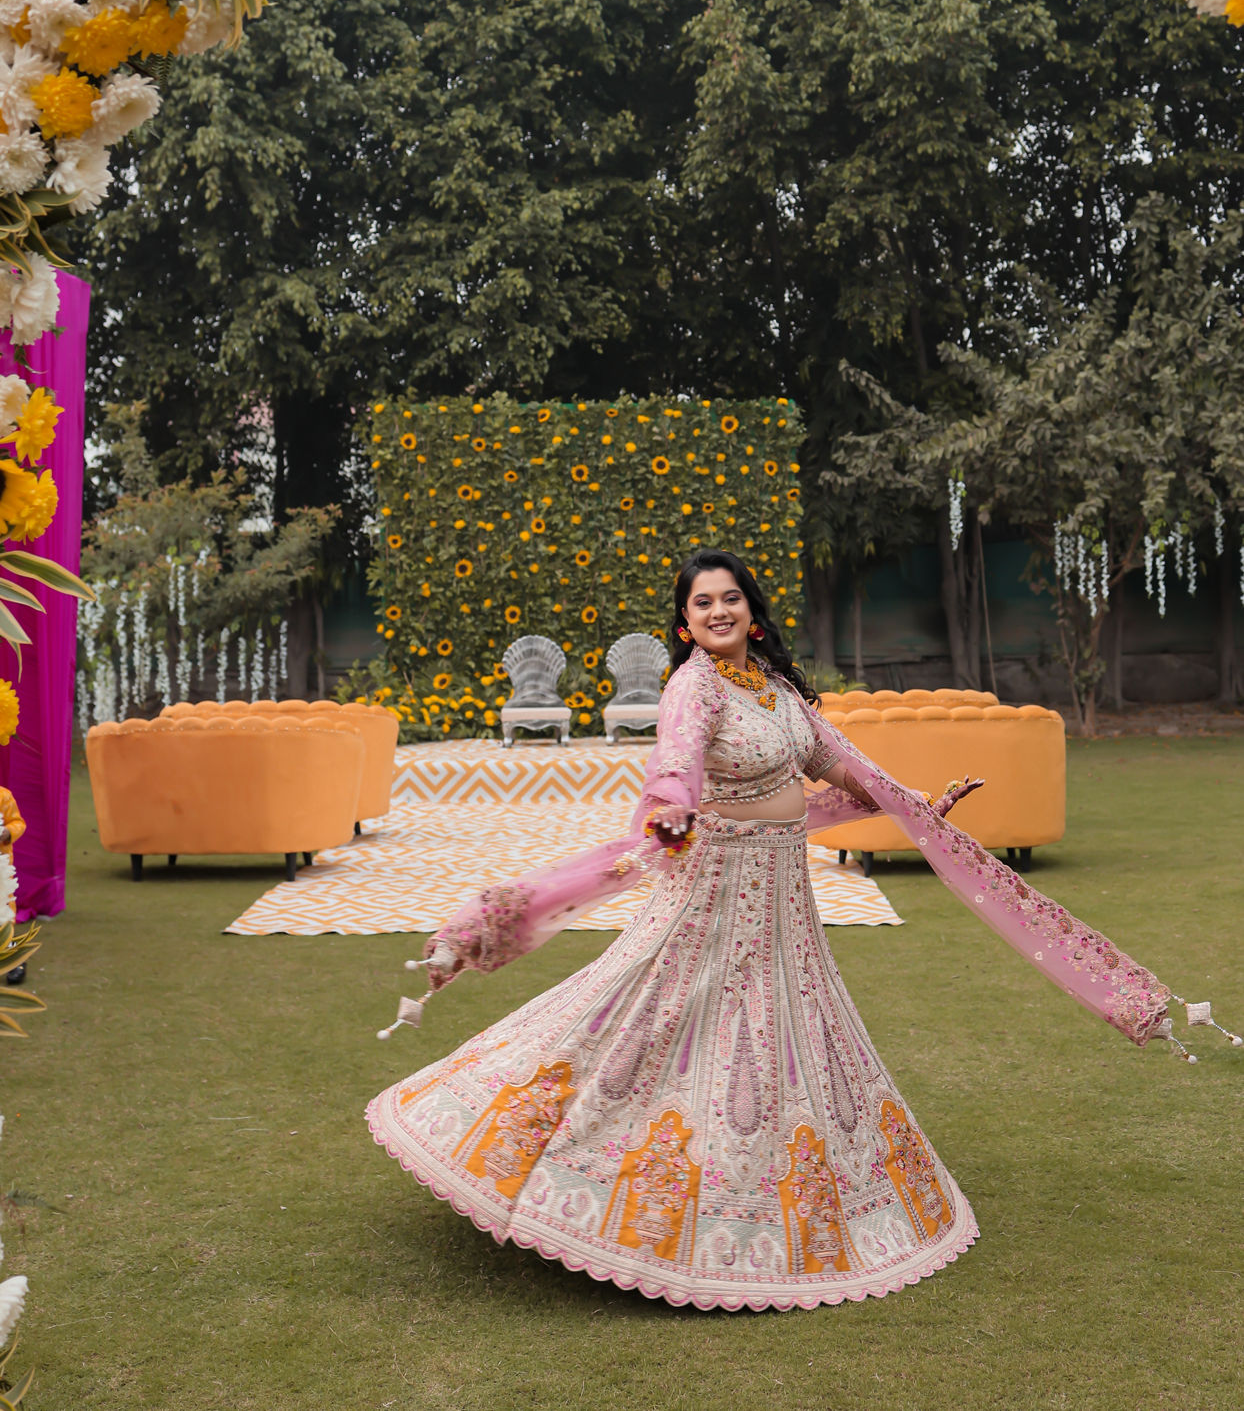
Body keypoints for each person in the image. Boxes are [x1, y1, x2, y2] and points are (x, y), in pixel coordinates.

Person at [367, 550, 1219, 1311]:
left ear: (754, 613)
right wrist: (667, 810)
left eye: (730, 599)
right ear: (685, 624)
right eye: (702, 605)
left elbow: (841, 766)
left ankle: (770, 1193)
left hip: (781, 901)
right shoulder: (690, 689)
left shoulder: (778, 694)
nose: (718, 613)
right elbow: (677, 761)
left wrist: (913, 805)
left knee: (786, 1035)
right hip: (712, 892)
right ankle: (535, 1152)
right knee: (651, 1012)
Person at [0, 784, 26, 984]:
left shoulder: (3, 796)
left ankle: (13, 957)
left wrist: (8, 832)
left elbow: (18, 822)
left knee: (3, 910)